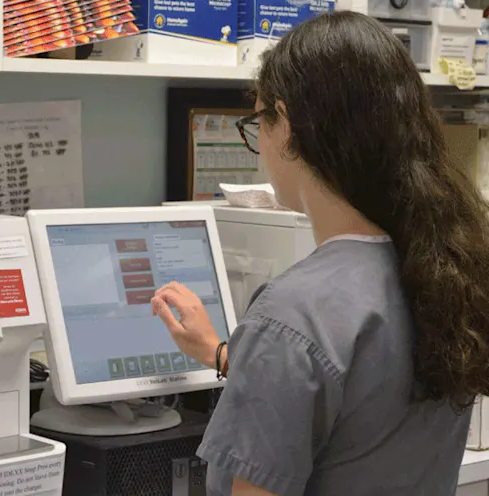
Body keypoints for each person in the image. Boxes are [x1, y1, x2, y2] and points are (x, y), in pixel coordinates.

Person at [152, 11, 489, 496]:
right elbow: (359, 401)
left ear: (285, 125)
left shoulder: (292, 313)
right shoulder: (442, 274)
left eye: (258, 122)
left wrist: (264, 347)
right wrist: (225, 354)